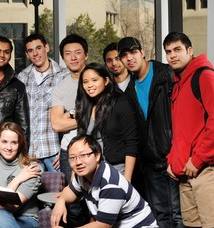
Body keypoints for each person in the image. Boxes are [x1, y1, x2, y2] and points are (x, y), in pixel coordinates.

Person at [118, 36, 196, 228]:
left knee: (180, 215)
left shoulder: (166, 74)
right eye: (124, 55)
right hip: (151, 162)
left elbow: (184, 116)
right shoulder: (130, 90)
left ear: (142, 52)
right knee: (160, 214)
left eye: (132, 52)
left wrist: (178, 153)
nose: (129, 58)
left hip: (174, 157)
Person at [163, 32, 214, 228]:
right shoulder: (178, 82)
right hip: (186, 169)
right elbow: (181, 130)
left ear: (190, 50)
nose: (173, 56)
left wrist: (198, 159)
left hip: (208, 165)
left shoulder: (205, 77)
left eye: (177, 50)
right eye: (168, 52)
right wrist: (173, 160)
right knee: (198, 226)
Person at [51, 135, 160, 228]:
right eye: (73, 158)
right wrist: (61, 201)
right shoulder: (82, 175)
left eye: (83, 155)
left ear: (97, 156)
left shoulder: (110, 183)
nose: (78, 162)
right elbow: (70, 191)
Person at [76, 63, 138, 182]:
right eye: (85, 82)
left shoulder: (121, 103)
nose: (89, 85)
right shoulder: (85, 106)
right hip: (90, 172)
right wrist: (74, 182)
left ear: (106, 81)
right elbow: (80, 145)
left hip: (116, 170)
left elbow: (131, 143)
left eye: (94, 80)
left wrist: (127, 180)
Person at [17, 33, 68, 172]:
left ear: (47, 47)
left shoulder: (64, 76)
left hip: (55, 152)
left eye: (38, 48)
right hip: (30, 154)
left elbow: (71, 115)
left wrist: (64, 150)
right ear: (27, 54)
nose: (35, 53)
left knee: (58, 193)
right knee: (30, 192)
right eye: (30, 50)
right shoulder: (21, 78)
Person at [50, 33, 88, 184]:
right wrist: (87, 116)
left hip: (96, 149)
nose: (73, 57)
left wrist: (71, 116)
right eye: (68, 54)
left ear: (86, 55)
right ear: (63, 58)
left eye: (78, 53)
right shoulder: (60, 88)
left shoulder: (98, 80)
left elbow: (104, 115)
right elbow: (56, 124)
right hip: (69, 151)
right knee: (73, 203)